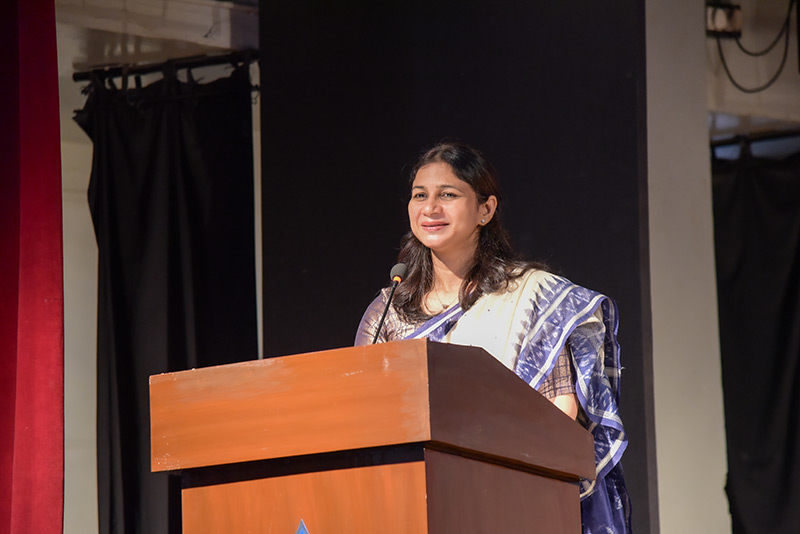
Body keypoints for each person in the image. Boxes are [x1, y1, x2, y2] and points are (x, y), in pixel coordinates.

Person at [355, 141, 631, 533]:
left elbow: (560, 408)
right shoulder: (388, 310)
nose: (430, 208)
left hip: (509, 498)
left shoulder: (531, 297)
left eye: (447, 195)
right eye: (420, 195)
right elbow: (360, 411)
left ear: (485, 209)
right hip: (411, 500)